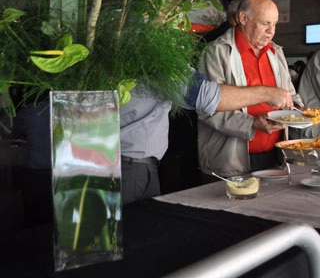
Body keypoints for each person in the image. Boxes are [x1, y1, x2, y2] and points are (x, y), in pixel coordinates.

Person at [120, 75, 293, 204]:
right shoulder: (152, 52)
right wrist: (267, 93)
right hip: (132, 168)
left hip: (120, 162)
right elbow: (204, 95)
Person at [196, 0, 303, 178]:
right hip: (230, 162)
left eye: (275, 24)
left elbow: (290, 95)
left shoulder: (275, 53)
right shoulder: (216, 52)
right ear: (243, 18)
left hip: (275, 157)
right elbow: (206, 107)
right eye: (265, 23)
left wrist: (301, 110)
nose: (272, 31)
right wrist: (251, 124)